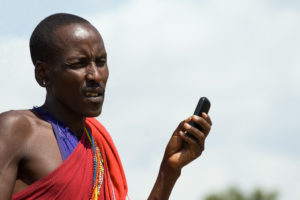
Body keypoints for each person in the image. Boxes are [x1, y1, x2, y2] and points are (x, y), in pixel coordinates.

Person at [0, 13, 212, 200]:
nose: (95, 75)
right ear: (43, 74)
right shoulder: (16, 129)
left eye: (101, 62)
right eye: (78, 64)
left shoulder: (97, 142)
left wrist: (170, 168)